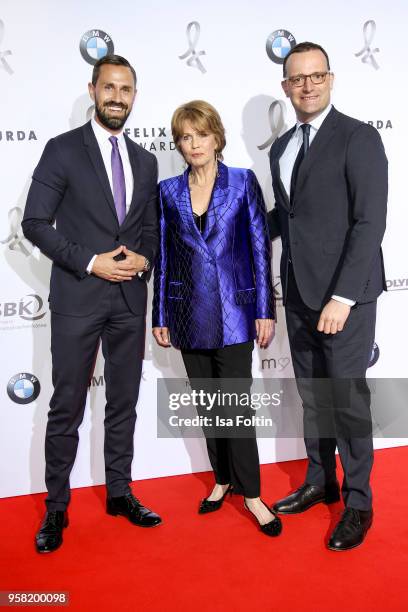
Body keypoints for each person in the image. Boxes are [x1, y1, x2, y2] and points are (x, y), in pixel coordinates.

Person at [22, 55, 162, 554]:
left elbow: (149, 228)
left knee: (123, 402)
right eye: (109, 88)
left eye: (126, 89)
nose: (117, 97)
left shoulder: (145, 161)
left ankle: (120, 492)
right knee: (67, 406)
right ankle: (56, 507)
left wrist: (143, 258)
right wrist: (90, 262)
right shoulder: (62, 151)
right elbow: (34, 223)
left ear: (134, 95)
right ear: (93, 89)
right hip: (79, 297)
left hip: (129, 299)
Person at [267, 42, 387, 550]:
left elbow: (369, 223)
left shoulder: (358, 138)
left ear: (331, 79)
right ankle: (321, 481)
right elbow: (288, 218)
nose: (308, 85)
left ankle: (359, 502)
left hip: (344, 297)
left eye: (316, 76)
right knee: (314, 396)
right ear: (286, 87)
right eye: (298, 78)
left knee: (347, 400)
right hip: (297, 292)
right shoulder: (282, 147)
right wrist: (226, 228)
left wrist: (342, 296)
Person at [152, 100, 282, 537]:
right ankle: (222, 479)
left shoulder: (243, 183)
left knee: (236, 408)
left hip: (235, 313)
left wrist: (265, 309)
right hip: (187, 313)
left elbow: (260, 252)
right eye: (185, 137)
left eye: (201, 135)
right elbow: (164, 258)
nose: (194, 144)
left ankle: (252, 494)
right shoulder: (168, 191)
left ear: (216, 137)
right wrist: (160, 312)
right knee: (209, 407)